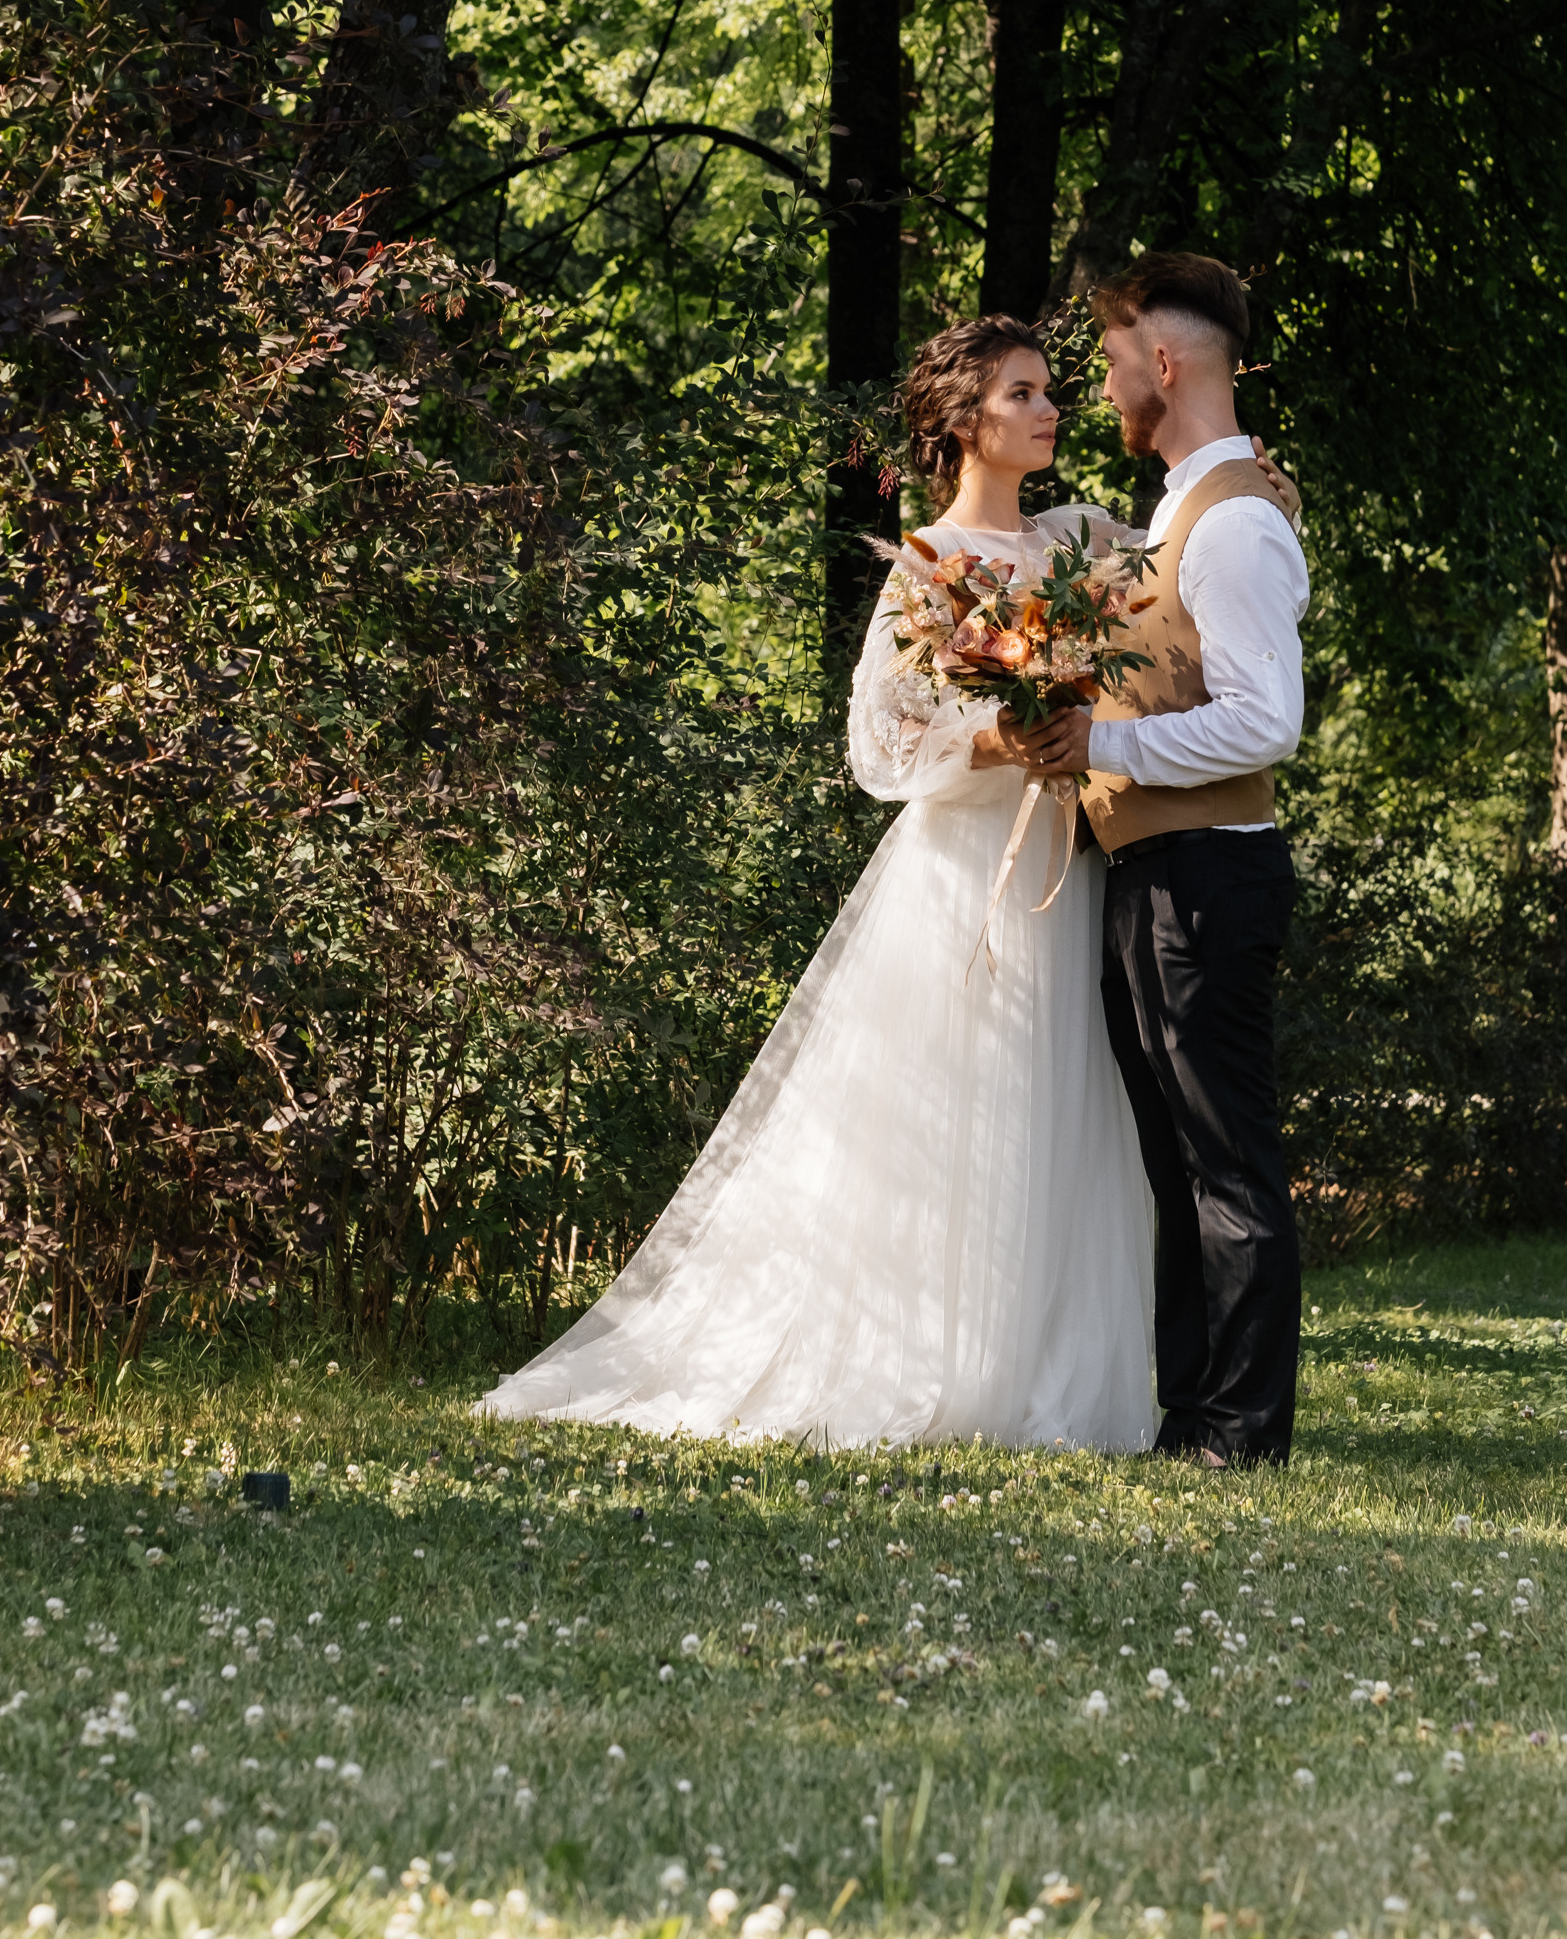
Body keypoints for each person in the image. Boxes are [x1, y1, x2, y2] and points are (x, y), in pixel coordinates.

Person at [479, 315, 1161, 1450]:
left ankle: (1050, 1369)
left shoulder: (1084, 534)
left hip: (1067, 863)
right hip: (958, 876)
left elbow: (1176, 585)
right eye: (1024, 393)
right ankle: (938, 1358)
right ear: (963, 421)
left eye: (1050, 389)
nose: (1051, 408)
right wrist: (1010, 735)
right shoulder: (926, 569)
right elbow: (882, 749)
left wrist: (1242, 486)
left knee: (1067, 1109)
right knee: (966, 1109)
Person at [1012, 250, 1310, 1467]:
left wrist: (1102, 736)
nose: (1101, 381)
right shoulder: (1183, 510)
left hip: (1207, 874)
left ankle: (1238, 1432)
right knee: (1173, 1161)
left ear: (1165, 361)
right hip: (1157, 870)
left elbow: (1265, 718)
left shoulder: (1232, 520)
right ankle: (1192, 1413)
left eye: (1112, 358)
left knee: (1224, 1158)